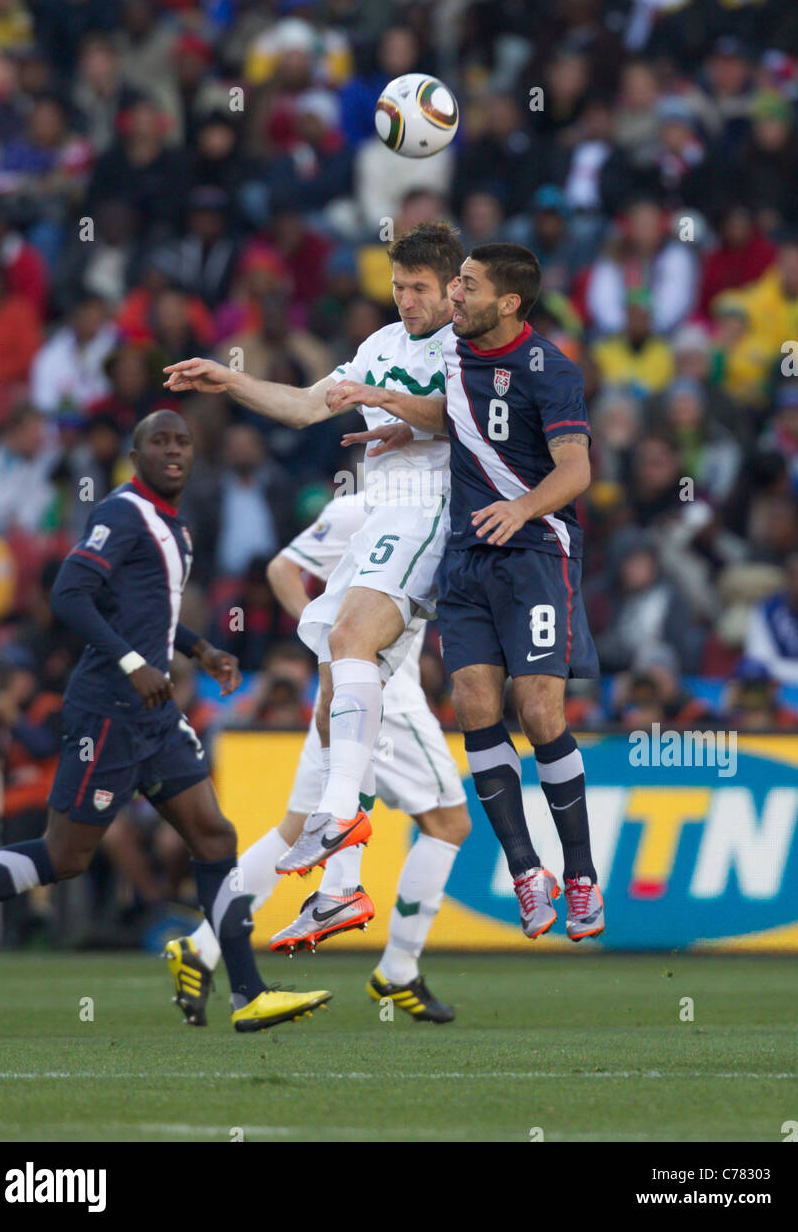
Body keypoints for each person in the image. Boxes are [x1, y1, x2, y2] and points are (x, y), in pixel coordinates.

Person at [0, 410, 330, 1033]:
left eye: (183, 439)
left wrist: (199, 650)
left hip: (154, 717)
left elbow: (140, 609)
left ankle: (248, 994)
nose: (174, 450)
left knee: (214, 838)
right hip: (107, 711)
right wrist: (132, 663)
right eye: (159, 441)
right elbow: (70, 594)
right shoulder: (122, 513)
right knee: (65, 855)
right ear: (136, 454)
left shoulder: (173, 524)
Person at [164, 222, 461, 878]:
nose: (406, 299)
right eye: (397, 286)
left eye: (419, 288)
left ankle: (356, 848)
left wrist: (383, 399)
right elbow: (304, 406)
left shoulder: (462, 347)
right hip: (382, 514)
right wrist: (231, 382)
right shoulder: (379, 342)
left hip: (431, 512)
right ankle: (338, 860)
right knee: (331, 655)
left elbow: (454, 415)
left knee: (353, 649)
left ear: (451, 290)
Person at [329, 243, 604, 943]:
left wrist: (523, 508)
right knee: (477, 707)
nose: (454, 294)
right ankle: (523, 871)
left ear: (508, 303)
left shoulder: (552, 371)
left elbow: (576, 471)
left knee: (537, 709)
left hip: (537, 555)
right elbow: (454, 413)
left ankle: (580, 875)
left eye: (468, 285)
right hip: (467, 559)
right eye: (454, 282)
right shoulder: (452, 352)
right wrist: (401, 418)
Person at [164, 491, 470, 1025]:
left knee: (297, 827)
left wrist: (333, 655)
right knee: (447, 823)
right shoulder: (412, 503)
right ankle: (397, 969)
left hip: (341, 692)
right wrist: (332, 644)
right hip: (383, 691)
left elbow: (286, 565)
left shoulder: (372, 499)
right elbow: (284, 569)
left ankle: (203, 945)